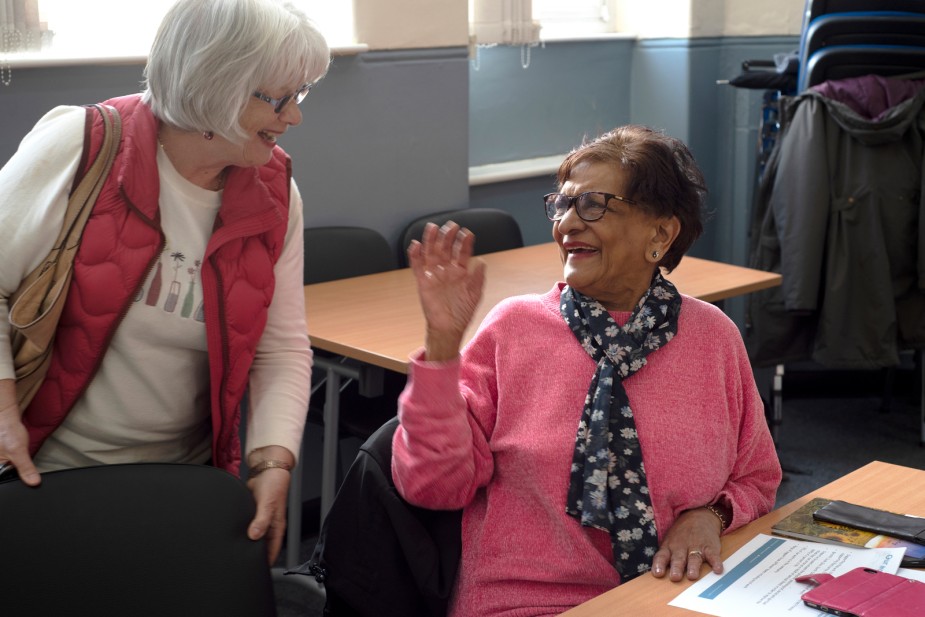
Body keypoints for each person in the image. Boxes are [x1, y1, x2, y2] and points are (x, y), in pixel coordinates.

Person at [391, 125, 782, 616]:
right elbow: (433, 485)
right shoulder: (514, 329)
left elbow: (757, 476)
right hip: (527, 603)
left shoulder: (713, 338)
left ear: (660, 233)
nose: (568, 224)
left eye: (593, 205)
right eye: (563, 204)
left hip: (678, 595)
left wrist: (712, 515)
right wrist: (444, 350)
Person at [0, 0, 329, 563]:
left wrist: (273, 461)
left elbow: (281, 347)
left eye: (299, 95)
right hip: (45, 478)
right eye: (277, 98)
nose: (293, 116)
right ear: (214, 84)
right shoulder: (80, 146)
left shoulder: (277, 193)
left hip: (183, 485)